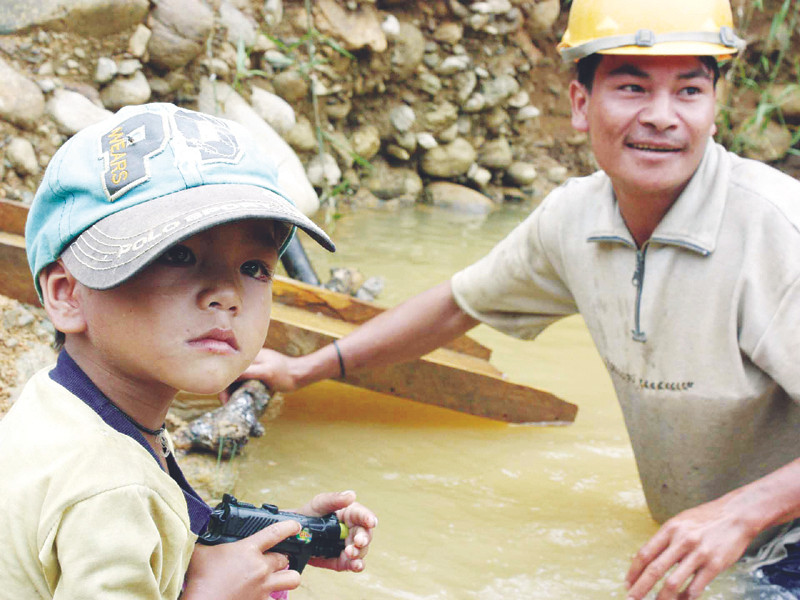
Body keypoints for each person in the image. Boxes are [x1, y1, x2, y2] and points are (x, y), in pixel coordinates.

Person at [233, 0, 800, 598]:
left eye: (689, 91)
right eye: (633, 87)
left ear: (715, 109)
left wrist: (738, 514)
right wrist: (304, 369)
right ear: (581, 104)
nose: (662, 117)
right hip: (712, 543)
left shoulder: (777, 232)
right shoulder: (576, 220)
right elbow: (457, 305)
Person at [0, 102, 377, 599]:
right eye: (178, 255)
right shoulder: (113, 491)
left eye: (253, 267)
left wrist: (281, 535)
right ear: (69, 295)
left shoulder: (63, 409)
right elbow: (116, 514)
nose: (226, 293)